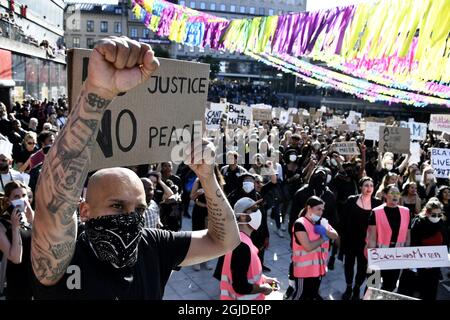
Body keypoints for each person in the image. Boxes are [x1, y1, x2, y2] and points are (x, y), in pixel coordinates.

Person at [30, 37, 240, 300]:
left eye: (139, 209)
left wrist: (208, 178)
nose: (130, 218)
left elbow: (225, 241)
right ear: (84, 210)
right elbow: (53, 203)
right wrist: (96, 93)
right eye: (117, 206)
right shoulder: (66, 255)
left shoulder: (151, 245)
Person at [220, 197, 279, 300]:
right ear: (243, 217)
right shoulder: (242, 246)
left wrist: (264, 279)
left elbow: (245, 271)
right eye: (254, 209)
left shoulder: (242, 239)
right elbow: (240, 286)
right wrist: (263, 288)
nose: (258, 212)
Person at [339, 177, 382, 300]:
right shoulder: (351, 200)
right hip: (350, 239)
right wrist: (340, 238)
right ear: (360, 187)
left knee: (362, 267)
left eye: (371, 186)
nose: (369, 188)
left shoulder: (377, 203)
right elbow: (343, 220)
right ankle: (348, 287)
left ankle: (357, 287)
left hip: (367, 242)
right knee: (349, 265)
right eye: (366, 185)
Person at [291, 196, 338, 300]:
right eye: (318, 209)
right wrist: (324, 238)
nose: (321, 212)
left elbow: (335, 235)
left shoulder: (322, 222)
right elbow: (308, 247)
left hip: (317, 270)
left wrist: (325, 231)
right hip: (303, 272)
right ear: (309, 208)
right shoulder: (300, 224)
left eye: (322, 210)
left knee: (312, 295)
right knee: (300, 296)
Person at [367, 184, 411, 292]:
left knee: (390, 286)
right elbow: (372, 237)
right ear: (385, 195)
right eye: (392, 193)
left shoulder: (406, 211)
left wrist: (407, 256)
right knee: (373, 285)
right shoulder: (376, 212)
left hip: (397, 254)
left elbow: (407, 236)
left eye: (397, 193)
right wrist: (371, 257)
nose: (395, 195)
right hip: (379, 252)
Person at [401, 198, 446, 300]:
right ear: (427, 213)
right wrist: (419, 263)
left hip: (434, 266)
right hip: (418, 266)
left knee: (430, 292)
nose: (437, 217)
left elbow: (444, 244)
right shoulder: (418, 223)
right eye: (434, 215)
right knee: (415, 293)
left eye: (439, 215)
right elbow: (413, 244)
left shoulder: (441, 225)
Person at [0, 180, 34, 300]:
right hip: (17, 286)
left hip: (36, 284)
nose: (22, 199)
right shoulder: (2, 225)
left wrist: (33, 222)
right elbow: (15, 258)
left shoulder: (29, 220)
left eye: (24, 196)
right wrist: (15, 228)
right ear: (9, 201)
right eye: (16, 196)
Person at [190, 165, 225, 271]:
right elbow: (191, 197)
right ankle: (196, 261)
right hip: (199, 211)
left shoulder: (219, 182)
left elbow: (222, 198)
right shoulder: (198, 180)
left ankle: (206, 260)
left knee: (210, 237)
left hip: (212, 212)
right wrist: (198, 192)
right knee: (197, 236)